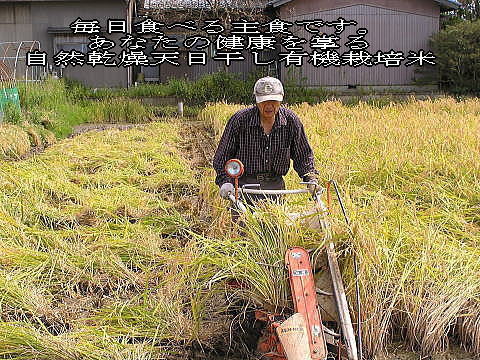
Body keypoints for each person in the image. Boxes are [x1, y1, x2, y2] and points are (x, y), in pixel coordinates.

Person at [212, 76, 319, 214]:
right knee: (244, 231)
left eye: (273, 101)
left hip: (275, 188)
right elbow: (221, 158)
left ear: (281, 99)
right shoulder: (240, 121)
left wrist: (310, 177)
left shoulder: (290, 122)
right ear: (257, 101)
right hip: (245, 187)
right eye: (264, 101)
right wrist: (225, 182)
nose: (269, 106)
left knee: (276, 230)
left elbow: (303, 155)